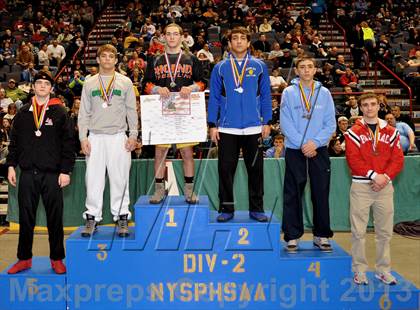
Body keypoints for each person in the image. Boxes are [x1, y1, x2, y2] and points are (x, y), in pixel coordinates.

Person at [6, 71, 75, 274]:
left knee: (55, 218)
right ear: (33, 87)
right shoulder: (23, 113)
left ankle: (56, 258)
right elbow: (14, 143)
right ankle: (24, 258)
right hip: (27, 173)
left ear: (51, 88)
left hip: (52, 174)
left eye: (46, 83)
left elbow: (68, 144)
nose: (43, 86)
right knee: (26, 218)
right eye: (39, 83)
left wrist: (66, 170)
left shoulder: (60, 112)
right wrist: (11, 165)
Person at [208, 26, 272, 223]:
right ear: (229, 43)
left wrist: (267, 121)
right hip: (227, 127)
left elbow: (265, 96)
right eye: (234, 38)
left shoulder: (259, 66)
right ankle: (226, 209)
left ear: (248, 42)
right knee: (226, 170)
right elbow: (214, 98)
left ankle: (257, 208)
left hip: (254, 127)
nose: (238, 41)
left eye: (242, 38)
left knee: (255, 170)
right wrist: (212, 124)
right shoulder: (220, 67)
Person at [78, 44, 138, 237]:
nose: (106, 59)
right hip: (95, 137)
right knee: (93, 180)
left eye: (110, 56)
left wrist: (133, 135)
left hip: (118, 137)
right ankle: (92, 218)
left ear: (115, 60)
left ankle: (121, 217)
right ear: (98, 59)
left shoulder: (125, 82)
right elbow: (83, 113)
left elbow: (131, 110)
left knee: (120, 179)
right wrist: (83, 138)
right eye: (103, 56)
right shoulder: (89, 83)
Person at [345, 93, 404, 285]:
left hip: (385, 187)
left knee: (385, 232)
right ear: (361, 108)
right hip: (361, 186)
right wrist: (373, 175)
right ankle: (359, 270)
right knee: (358, 232)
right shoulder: (353, 131)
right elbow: (353, 159)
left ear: (379, 106)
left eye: (373, 104)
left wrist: (385, 177)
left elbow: (397, 159)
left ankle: (383, 270)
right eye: (365, 105)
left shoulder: (391, 131)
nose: (369, 108)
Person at [143, 23, 206, 205]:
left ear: (181, 37)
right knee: (160, 152)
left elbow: (202, 82)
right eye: (168, 34)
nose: (171, 37)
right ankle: (159, 190)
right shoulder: (155, 60)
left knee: (187, 152)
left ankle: (189, 190)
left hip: (184, 110)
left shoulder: (191, 58)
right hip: (162, 109)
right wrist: (156, 88)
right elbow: (145, 85)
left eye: (175, 34)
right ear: (163, 37)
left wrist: (191, 87)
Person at [280, 56, 336, 253]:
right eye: (302, 67)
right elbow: (285, 123)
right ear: (296, 71)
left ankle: (321, 235)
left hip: (318, 150)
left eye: (309, 67)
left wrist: (316, 143)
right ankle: (292, 236)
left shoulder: (325, 93)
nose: (305, 70)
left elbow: (330, 124)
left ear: (315, 70)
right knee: (293, 193)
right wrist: (303, 144)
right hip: (295, 150)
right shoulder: (288, 92)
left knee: (320, 193)